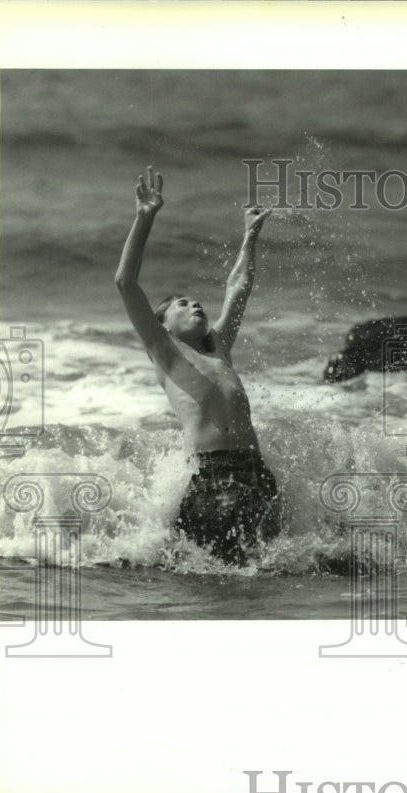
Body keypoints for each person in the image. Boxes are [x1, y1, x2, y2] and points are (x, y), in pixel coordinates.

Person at [115, 166, 280, 565]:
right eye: (182, 305)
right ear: (163, 324)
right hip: (211, 476)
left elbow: (238, 286)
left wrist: (249, 236)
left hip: (255, 473)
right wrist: (145, 216)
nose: (195, 305)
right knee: (211, 573)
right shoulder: (166, 351)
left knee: (268, 572)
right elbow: (125, 282)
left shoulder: (218, 349)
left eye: (195, 301)